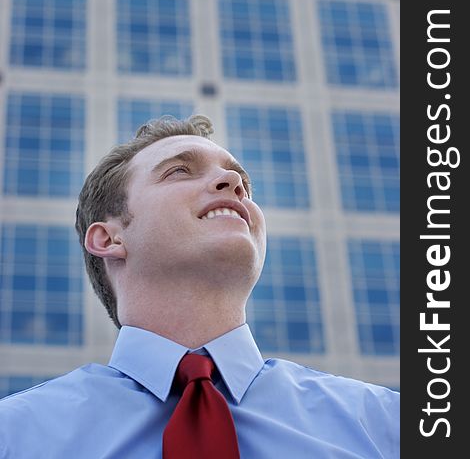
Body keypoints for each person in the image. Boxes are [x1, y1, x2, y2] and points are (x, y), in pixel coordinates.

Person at [0, 114, 399, 458]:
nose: (233, 182)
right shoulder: (14, 436)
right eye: (179, 171)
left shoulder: (388, 427)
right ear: (109, 239)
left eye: (240, 178)